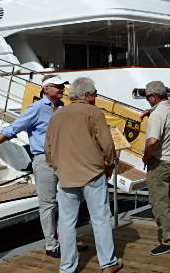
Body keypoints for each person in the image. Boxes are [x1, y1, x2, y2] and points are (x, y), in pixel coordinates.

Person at [0, 75, 69, 258]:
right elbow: (11, 130)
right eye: (58, 86)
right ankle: (51, 245)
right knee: (48, 204)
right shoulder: (36, 109)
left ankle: (67, 242)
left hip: (65, 160)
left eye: (63, 86)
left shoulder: (63, 108)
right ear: (46, 89)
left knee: (68, 201)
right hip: (44, 160)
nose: (62, 89)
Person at [45, 77, 122, 273]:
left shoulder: (56, 115)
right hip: (92, 174)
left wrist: (58, 168)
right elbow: (107, 145)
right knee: (100, 219)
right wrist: (109, 165)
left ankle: (67, 267)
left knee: (66, 223)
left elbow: (48, 149)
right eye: (95, 94)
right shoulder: (94, 113)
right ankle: (108, 263)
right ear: (87, 95)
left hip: (65, 176)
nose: (96, 97)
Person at [141, 81, 170, 256]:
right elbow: (163, 114)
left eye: (147, 97)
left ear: (154, 97)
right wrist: (150, 111)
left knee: (159, 202)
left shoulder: (158, 115)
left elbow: (152, 141)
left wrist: (146, 157)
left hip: (160, 162)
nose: (147, 100)